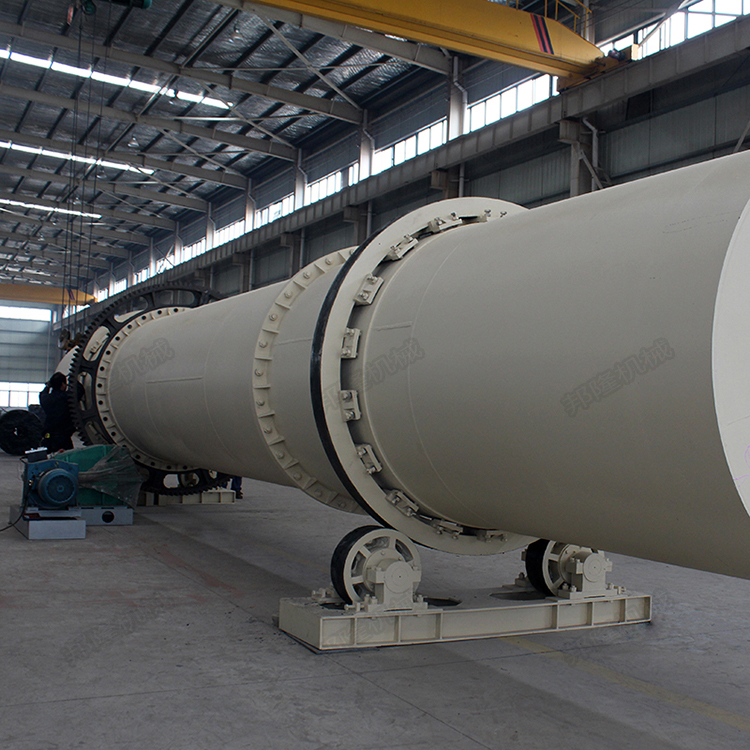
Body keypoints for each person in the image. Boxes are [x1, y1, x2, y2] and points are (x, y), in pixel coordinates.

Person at [39, 372, 76, 452]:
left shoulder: (45, 399)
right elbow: (80, 391)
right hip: (63, 439)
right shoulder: (67, 397)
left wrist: (47, 386)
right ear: (63, 384)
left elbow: (42, 393)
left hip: (48, 438)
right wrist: (73, 379)